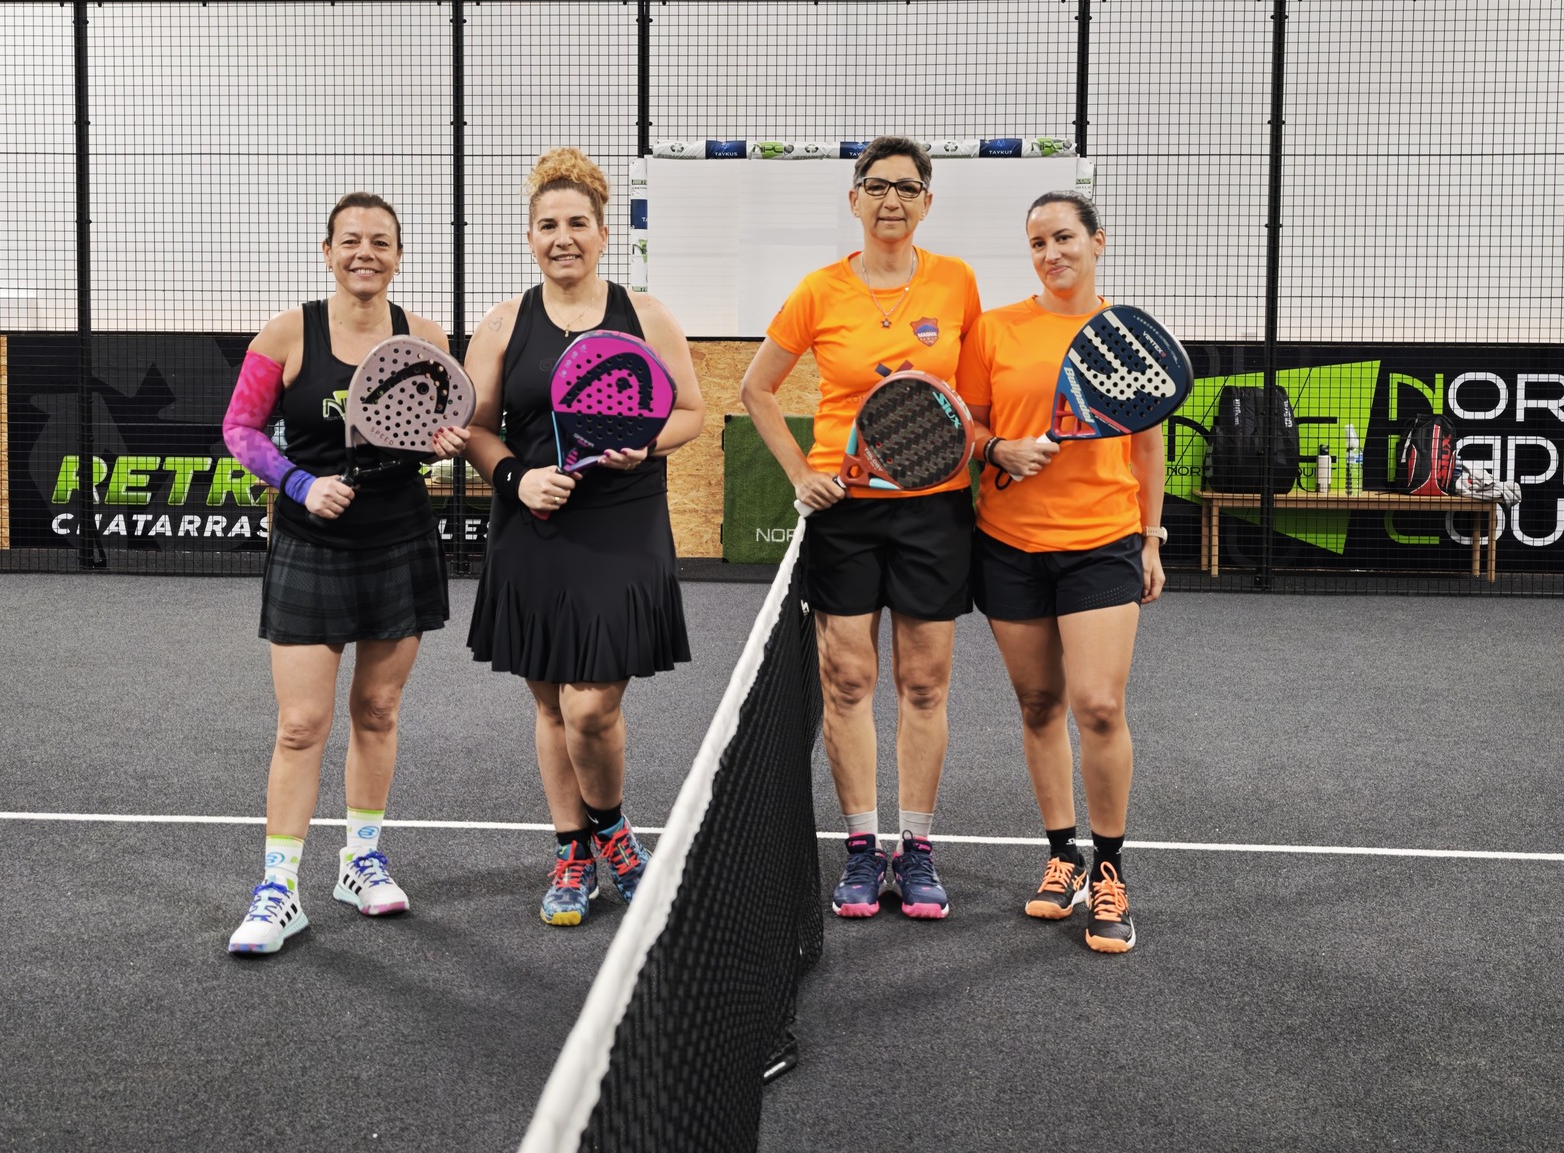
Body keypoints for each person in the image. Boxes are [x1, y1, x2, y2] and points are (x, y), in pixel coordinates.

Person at [739, 136, 982, 920]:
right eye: (877, 187)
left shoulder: (957, 282)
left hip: (933, 508)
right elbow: (756, 389)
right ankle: (859, 849)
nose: (891, 201)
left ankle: (916, 849)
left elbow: (971, 400)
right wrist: (799, 474)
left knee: (924, 683)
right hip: (843, 512)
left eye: (907, 188)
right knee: (846, 683)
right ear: (854, 199)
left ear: (927, 203)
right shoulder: (819, 291)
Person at [221, 191, 468, 956]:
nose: (366, 253)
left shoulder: (425, 338)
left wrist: (446, 443)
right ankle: (278, 890)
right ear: (327, 252)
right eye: (351, 240)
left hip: (399, 540)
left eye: (381, 242)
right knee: (301, 724)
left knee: (379, 710)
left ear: (398, 256)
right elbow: (239, 428)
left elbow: (439, 428)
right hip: (311, 544)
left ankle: (360, 862)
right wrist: (299, 484)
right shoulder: (287, 332)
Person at [462, 148, 705, 926]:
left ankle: (613, 832)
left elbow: (691, 412)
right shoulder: (504, 323)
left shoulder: (647, 315)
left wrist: (647, 442)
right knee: (551, 705)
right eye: (547, 225)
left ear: (603, 233)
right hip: (533, 527)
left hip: (622, 524)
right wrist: (516, 480)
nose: (562, 237)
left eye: (576, 224)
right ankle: (574, 851)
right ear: (530, 236)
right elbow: (477, 429)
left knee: (591, 705)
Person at [954, 190, 1166, 953]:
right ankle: (1061, 856)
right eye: (1039, 243)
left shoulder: (1124, 335)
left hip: (1102, 542)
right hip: (1008, 544)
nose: (1052, 253)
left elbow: (1147, 443)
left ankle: (1110, 871)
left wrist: (1150, 537)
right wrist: (997, 449)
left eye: (1065, 237)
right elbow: (967, 422)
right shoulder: (996, 330)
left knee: (1099, 706)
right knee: (1039, 703)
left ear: (1098, 242)